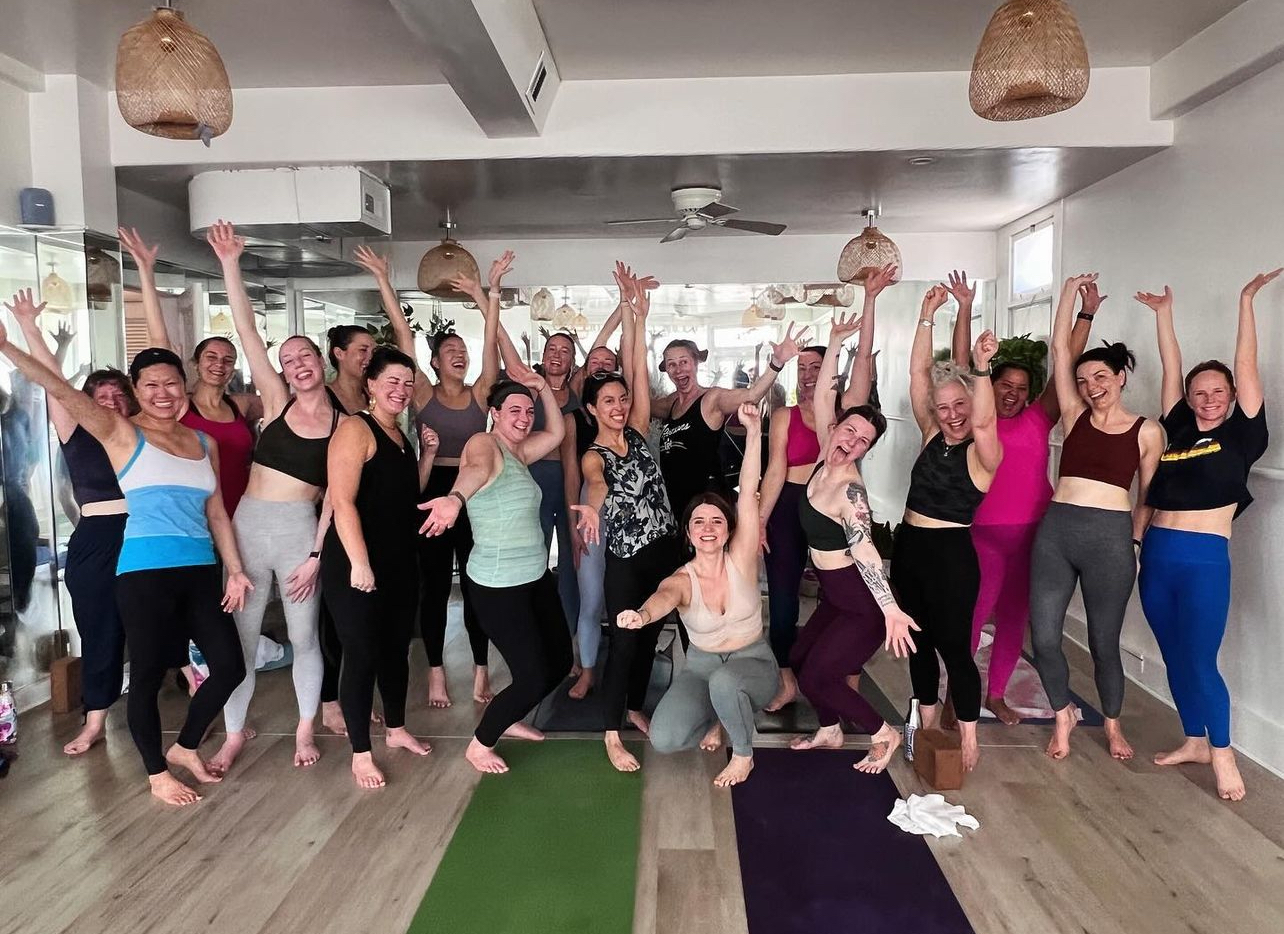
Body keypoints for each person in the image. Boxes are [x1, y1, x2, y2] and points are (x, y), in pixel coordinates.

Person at [0, 308, 252, 805]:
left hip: (200, 570)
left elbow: (218, 511)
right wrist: (10, 345)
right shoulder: (121, 433)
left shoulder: (202, 441)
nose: (163, 392)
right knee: (151, 670)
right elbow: (62, 392)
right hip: (144, 572)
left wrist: (236, 570)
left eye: (172, 383)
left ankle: (183, 748)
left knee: (228, 666)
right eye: (151, 384)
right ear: (137, 391)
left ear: (185, 385)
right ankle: (156, 772)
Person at [194, 222, 342, 774]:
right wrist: (230, 263)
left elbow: (336, 498)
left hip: (301, 529)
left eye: (306, 356)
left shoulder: (344, 425)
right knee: (241, 635)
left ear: (322, 364)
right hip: (250, 524)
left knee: (305, 637)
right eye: (289, 359)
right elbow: (247, 332)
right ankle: (233, 734)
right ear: (281, 372)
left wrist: (318, 554)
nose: (298, 364)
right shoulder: (275, 402)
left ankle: (305, 728)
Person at [1135, 272, 1276, 801]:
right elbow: (1172, 367)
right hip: (1159, 554)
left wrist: (1245, 300)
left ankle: (1223, 753)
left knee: (1200, 659)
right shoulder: (1177, 430)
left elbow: (1246, 364)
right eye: (1200, 393)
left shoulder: (1244, 435)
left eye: (1218, 392)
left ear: (1234, 397)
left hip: (1204, 558)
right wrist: (1163, 316)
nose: (1208, 399)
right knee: (1174, 654)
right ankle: (1194, 739)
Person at [947, 270, 1102, 723]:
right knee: (974, 615)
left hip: (1035, 534)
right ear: (990, 385)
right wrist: (962, 309)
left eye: (1020, 390)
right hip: (983, 534)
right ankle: (961, 693)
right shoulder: (976, 417)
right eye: (1004, 387)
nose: (1012, 395)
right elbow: (962, 365)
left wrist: (1085, 312)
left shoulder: (1040, 418)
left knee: (1016, 617)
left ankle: (996, 693)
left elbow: (1066, 362)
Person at [354, 246, 502, 708]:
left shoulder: (481, 393)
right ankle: (436, 672)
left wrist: (491, 291)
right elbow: (402, 334)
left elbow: (492, 340)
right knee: (435, 588)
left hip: (474, 494)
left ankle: (481, 670)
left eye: (462, 351)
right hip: (433, 490)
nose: (458, 355)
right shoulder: (418, 393)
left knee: (477, 586)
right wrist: (384, 279)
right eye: (449, 351)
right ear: (434, 363)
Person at [1030, 274, 1163, 762]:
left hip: (1110, 537)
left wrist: (1133, 540)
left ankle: (1111, 723)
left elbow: (1148, 495)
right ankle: (1062, 711)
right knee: (1043, 636)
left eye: (1101, 378)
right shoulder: (1073, 415)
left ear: (1120, 377)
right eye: (1084, 382)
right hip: (1057, 531)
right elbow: (1059, 353)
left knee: (1103, 642)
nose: (1091, 387)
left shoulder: (1147, 430)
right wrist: (1068, 294)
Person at [419, 366, 577, 774]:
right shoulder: (483, 444)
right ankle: (480, 743)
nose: (524, 418)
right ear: (494, 413)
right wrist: (454, 498)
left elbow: (557, 434)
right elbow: (473, 470)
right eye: (514, 411)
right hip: (498, 585)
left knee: (560, 661)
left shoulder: (519, 453)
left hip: (535, 577)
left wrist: (542, 391)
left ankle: (509, 717)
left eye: (528, 412)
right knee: (531, 675)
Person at [756, 265, 895, 711]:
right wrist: (760, 519)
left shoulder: (843, 420)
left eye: (820, 368)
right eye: (805, 367)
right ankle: (789, 678)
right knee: (783, 597)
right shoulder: (799, 421)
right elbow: (775, 471)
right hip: (790, 508)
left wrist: (869, 300)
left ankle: (842, 678)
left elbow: (865, 360)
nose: (812, 374)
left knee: (841, 595)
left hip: (830, 511)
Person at [619, 402, 778, 788]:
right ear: (688, 533)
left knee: (727, 682)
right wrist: (642, 615)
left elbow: (749, 489)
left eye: (717, 521)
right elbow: (663, 597)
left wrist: (754, 432)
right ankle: (718, 717)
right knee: (664, 737)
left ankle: (743, 753)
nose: (708, 528)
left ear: (728, 530)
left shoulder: (741, 558)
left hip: (752, 663)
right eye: (699, 522)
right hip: (702, 668)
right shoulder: (682, 578)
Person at [5, 292, 135, 756]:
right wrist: (29, 330)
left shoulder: (140, 432)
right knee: (99, 629)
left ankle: (184, 700)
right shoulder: (76, 431)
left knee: (159, 623)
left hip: (143, 533)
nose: (112, 402)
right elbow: (54, 382)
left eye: (120, 395)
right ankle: (95, 719)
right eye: (101, 397)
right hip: (98, 537)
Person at [787, 309, 917, 773]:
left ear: (866, 449)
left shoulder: (851, 490)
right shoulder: (826, 452)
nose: (853, 441)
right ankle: (829, 729)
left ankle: (883, 734)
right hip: (836, 596)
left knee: (821, 675)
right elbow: (824, 392)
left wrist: (890, 610)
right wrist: (835, 340)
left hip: (861, 600)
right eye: (850, 430)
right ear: (838, 428)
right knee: (801, 657)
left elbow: (864, 550)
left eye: (864, 441)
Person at [892, 285, 1003, 772]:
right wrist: (925, 316)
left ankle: (970, 737)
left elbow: (983, 422)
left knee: (954, 648)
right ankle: (928, 723)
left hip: (952, 552)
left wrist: (980, 369)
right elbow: (918, 375)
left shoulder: (983, 454)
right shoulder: (932, 434)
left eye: (961, 404)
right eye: (944, 407)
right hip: (911, 546)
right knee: (916, 641)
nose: (953, 414)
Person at [579, 267, 681, 772]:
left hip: (666, 549)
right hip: (627, 559)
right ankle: (611, 732)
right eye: (608, 402)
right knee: (624, 640)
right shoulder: (594, 453)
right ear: (593, 409)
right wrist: (593, 509)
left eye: (622, 399)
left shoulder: (640, 430)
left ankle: (636, 705)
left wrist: (637, 313)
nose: (619, 406)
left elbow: (638, 367)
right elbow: (597, 483)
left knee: (651, 633)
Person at [321, 346, 433, 790]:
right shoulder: (355, 429)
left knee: (395, 651)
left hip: (399, 560)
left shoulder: (400, 435)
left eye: (407, 383)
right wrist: (359, 563)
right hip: (356, 563)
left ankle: (397, 727)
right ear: (369, 384)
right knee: (362, 654)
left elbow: (401, 496)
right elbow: (342, 501)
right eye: (392, 382)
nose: (401, 391)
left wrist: (424, 457)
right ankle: (360, 753)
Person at [654, 325, 808, 520]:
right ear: (666, 369)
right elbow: (638, 407)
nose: (678, 370)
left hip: (707, 503)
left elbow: (751, 394)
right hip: (676, 503)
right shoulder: (671, 403)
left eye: (683, 362)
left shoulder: (712, 399)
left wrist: (777, 362)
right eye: (671, 364)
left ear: (695, 363)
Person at [315, 322, 377, 734]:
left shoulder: (374, 398)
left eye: (372, 350)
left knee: (361, 626)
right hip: (328, 513)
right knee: (331, 620)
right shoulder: (327, 400)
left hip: (368, 516)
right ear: (338, 353)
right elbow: (335, 487)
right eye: (361, 349)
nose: (367, 355)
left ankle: (354, 700)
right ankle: (329, 700)